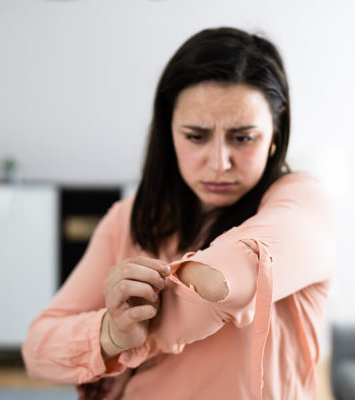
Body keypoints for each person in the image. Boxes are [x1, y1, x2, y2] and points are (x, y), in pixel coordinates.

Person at [21, 26, 336, 400]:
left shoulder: (303, 200)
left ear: (276, 127)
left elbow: (222, 282)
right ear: (168, 128)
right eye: (196, 136)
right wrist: (110, 333)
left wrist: (138, 331)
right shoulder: (128, 218)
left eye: (243, 137)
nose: (219, 163)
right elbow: (38, 350)